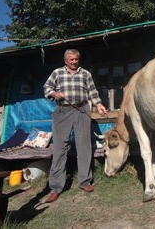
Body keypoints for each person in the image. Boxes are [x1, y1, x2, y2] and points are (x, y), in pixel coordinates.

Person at [43, 48, 107, 203]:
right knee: (59, 147)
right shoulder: (57, 72)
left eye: (76, 59)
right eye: (71, 59)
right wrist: (54, 94)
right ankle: (56, 187)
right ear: (66, 60)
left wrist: (98, 104)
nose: (74, 62)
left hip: (82, 109)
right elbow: (46, 88)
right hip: (63, 110)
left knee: (84, 145)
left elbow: (92, 91)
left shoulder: (85, 74)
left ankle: (85, 181)